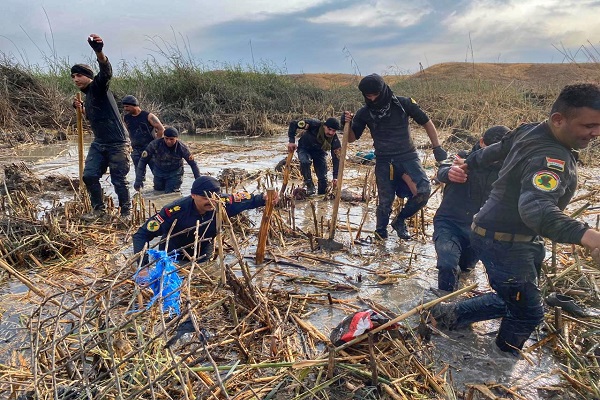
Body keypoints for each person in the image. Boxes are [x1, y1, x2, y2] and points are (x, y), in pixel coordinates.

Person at [431, 83, 600, 355]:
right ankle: (499, 365)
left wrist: (469, 163)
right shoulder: (550, 158)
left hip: (498, 233)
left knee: (518, 297)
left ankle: (445, 314)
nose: (596, 133)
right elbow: (536, 209)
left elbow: (496, 150)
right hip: (505, 242)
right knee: (529, 312)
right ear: (558, 120)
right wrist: (590, 237)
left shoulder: (529, 129)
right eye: (588, 126)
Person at [342, 74, 447, 239]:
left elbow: (427, 122)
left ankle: (400, 220)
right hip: (384, 159)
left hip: (407, 156)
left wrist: (437, 147)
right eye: (368, 96)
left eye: (375, 94)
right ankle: (380, 234)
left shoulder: (404, 104)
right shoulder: (365, 113)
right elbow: (351, 139)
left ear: (383, 90)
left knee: (423, 191)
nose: (373, 99)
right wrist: (345, 124)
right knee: (385, 200)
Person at [433, 125, 510, 293]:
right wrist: (449, 173)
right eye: (492, 151)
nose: (495, 158)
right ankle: (444, 308)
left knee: (466, 269)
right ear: (482, 143)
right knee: (447, 265)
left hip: (480, 231)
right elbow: (443, 170)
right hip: (450, 223)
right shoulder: (464, 158)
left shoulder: (508, 170)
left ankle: (460, 296)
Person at [132, 176, 278, 262]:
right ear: (193, 195)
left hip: (203, 255)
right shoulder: (174, 211)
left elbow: (251, 200)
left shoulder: (224, 203)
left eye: (215, 197)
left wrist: (266, 198)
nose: (211, 202)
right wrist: (143, 267)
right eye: (205, 198)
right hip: (173, 257)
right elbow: (141, 235)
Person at [72, 34, 131, 220]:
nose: (75, 79)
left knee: (118, 180)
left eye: (79, 75)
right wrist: (81, 110)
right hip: (100, 143)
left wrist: (99, 52)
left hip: (117, 143)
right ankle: (99, 210)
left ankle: (126, 213)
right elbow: (93, 117)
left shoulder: (98, 87)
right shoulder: (89, 97)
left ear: (89, 77)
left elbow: (106, 73)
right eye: (73, 76)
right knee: (89, 176)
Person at [134, 127, 200, 193]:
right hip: (159, 171)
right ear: (163, 137)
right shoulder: (155, 144)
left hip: (175, 173)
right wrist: (138, 180)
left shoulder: (182, 148)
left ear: (176, 138)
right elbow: (143, 161)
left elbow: (193, 164)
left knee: (171, 193)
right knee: (158, 192)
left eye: (171, 139)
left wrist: (199, 181)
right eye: (166, 138)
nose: (168, 141)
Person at [287, 117, 341, 195]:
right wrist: (291, 141)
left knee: (323, 178)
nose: (331, 133)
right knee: (305, 161)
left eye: (334, 131)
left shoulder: (335, 140)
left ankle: (321, 198)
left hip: (319, 153)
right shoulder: (314, 124)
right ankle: (309, 185)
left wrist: (336, 177)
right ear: (324, 126)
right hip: (304, 148)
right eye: (329, 129)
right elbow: (294, 123)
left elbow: (336, 159)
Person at [122, 95, 165, 169]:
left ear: (134, 105)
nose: (125, 109)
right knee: (139, 174)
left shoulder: (148, 116)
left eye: (127, 106)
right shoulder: (126, 118)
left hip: (150, 149)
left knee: (157, 172)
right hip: (136, 149)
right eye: (124, 107)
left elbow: (161, 129)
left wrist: (156, 144)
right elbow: (125, 132)